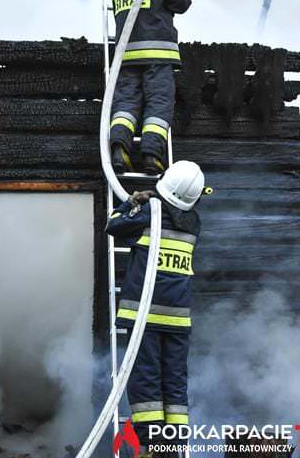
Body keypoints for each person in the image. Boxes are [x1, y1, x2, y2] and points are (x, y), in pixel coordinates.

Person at [106, 161, 206, 457]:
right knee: (174, 384)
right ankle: (173, 447)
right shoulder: (194, 222)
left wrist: (133, 202)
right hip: (177, 319)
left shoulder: (151, 212)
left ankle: (151, 447)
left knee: (146, 379)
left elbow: (114, 225)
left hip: (145, 316)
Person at [109, 0, 192, 176]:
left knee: (124, 103)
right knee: (158, 103)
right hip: (158, 54)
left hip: (126, 55)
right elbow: (183, 3)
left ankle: (119, 149)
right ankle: (152, 156)